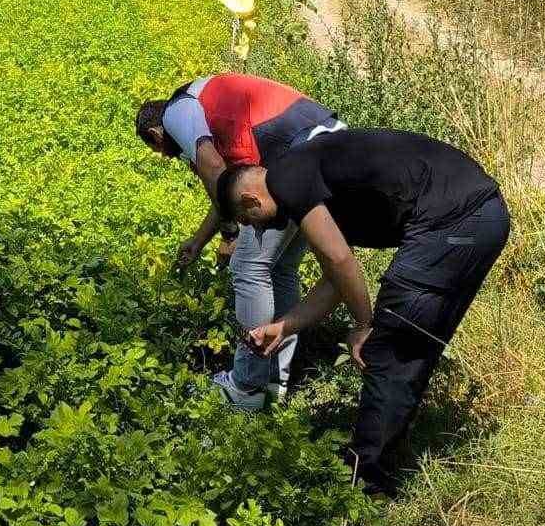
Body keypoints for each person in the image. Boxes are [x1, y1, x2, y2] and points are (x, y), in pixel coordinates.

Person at [215, 128, 510, 497]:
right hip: (479, 218)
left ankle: (361, 486)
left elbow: (342, 260)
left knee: (387, 349)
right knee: (409, 345)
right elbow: (335, 279)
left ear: (250, 201)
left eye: (249, 223)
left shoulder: (287, 178)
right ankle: (384, 461)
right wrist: (284, 326)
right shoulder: (311, 177)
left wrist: (363, 325)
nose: (257, 229)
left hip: (454, 223)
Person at [135, 73, 343, 410]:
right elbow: (232, 189)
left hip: (299, 153)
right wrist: (200, 240)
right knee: (281, 269)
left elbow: (214, 168)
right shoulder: (209, 113)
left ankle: (246, 387)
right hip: (326, 145)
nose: (163, 156)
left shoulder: (176, 112)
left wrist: (231, 235)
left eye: (157, 148)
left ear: (157, 134)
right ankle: (275, 378)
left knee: (248, 267)